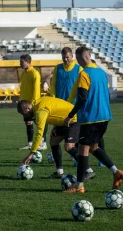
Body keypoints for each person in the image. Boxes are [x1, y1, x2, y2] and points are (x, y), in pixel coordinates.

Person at [63, 46, 123, 193]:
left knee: (83, 149)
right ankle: (116, 172)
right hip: (105, 117)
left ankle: (79, 186)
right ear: (89, 55)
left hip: (91, 118)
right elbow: (106, 93)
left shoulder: (84, 74)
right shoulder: (101, 73)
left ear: (78, 59)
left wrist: (70, 115)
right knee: (94, 147)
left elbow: (82, 98)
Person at [48, 47, 89, 174]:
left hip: (74, 107)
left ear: (72, 57)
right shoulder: (57, 68)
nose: (66, 59)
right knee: (56, 138)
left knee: (76, 135)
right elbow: (53, 85)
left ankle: (81, 163)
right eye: (63, 57)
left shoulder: (78, 69)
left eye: (68, 57)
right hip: (59, 108)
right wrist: (53, 100)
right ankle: (60, 170)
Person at [68, 59, 106, 167]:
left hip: (91, 111)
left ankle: (96, 163)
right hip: (80, 109)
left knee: (95, 139)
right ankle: (79, 160)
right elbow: (74, 91)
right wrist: (69, 105)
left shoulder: (92, 74)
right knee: (79, 135)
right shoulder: (82, 74)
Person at [19, 54, 48, 151]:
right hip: (24, 104)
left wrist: (33, 103)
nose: (20, 64)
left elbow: (36, 90)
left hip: (32, 105)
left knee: (40, 122)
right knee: (28, 123)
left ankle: (43, 142)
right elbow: (23, 89)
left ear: (28, 62)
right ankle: (30, 144)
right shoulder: (23, 73)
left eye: (21, 62)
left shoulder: (35, 73)